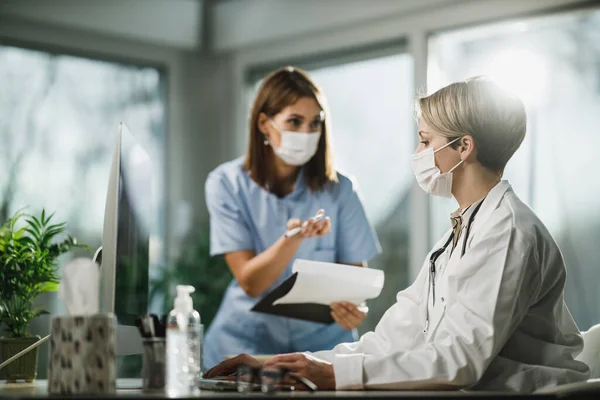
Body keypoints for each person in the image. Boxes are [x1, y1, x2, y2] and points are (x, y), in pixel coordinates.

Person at [204, 76, 591, 393]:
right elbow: (390, 341)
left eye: (425, 141)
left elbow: (460, 360)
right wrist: (275, 363)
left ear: (464, 148)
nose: (418, 152)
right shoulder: (454, 239)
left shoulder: (507, 232)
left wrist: (335, 376)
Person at [202, 66, 381, 370]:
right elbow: (250, 282)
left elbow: (355, 282)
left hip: (321, 350)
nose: (306, 134)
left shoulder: (341, 191)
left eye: (315, 124)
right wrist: (292, 240)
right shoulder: (226, 184)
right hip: (244, 344)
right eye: (294, 122)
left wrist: (354, 307)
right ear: (264, 124)